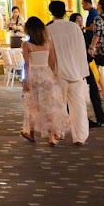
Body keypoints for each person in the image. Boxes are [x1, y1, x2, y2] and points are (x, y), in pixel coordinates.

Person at [45, 1, 90, 144]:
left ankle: (59, 132)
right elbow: (81, 50)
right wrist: (82, 71)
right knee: (78, 107)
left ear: (51, 12)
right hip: (76, 72)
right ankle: (80, 137)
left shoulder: (49, 30)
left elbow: (48, 54)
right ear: (65, 11)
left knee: (58, 105)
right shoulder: (75, 28)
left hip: (59, 73)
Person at [19, 16, 68, 146]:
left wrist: (25, 79)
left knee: (32, 105)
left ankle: (31, 133)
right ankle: (51, 137)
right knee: (49, 105)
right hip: (46, 75)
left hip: (33, 75)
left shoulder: (26, 45)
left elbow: (26, 64)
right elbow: (52, 61)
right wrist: (52, 74)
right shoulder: (48, 43)